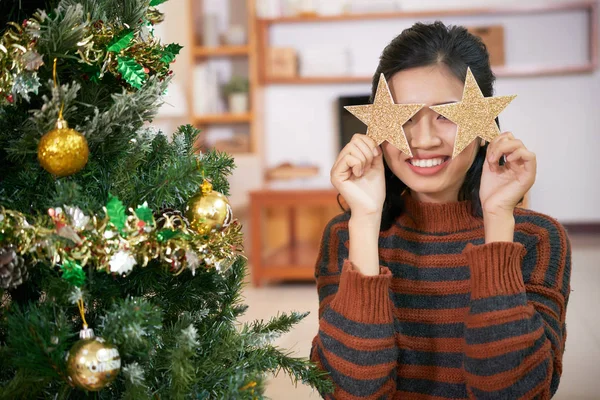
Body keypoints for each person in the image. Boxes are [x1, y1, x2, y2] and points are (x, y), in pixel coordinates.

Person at [310, 21, 571, 400]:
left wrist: (498, 218)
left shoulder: (537, 239)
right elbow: (351, 392)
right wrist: (364, 222)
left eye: (446, 114)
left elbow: (516, 393)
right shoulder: (343, 237)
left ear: (485, 122)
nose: (424, 140)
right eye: (405, 117)